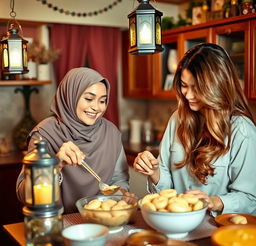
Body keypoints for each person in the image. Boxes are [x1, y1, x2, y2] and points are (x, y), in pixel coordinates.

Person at [133, 43, 256, 216]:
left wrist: (214, 201)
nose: (188, 95)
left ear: (217, 86)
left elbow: (250, 198)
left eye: (197, 88)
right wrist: (154, 172)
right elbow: (167, 186)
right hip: (177, 224)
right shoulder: (178, 119)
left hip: (219, 231)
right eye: (184, 85)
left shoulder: (242, 131)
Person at [16, 67, 133, 213]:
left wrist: (120, 197)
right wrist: (56, 165)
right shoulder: (44, 134)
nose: (96, 107)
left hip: (101, 221)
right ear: (70, 95)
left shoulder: (111, 132)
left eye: (102, 101)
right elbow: (23, 194)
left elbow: (119, 180)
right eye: (89, 99)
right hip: (57, 222)